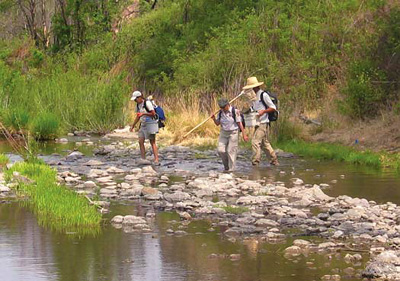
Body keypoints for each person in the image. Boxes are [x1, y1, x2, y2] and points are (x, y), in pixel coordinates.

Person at [243, 76, 279, 166]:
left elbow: (273, 108)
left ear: (255, 87)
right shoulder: (254, 97)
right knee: (264, 144)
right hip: (257, 123)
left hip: (263, 122)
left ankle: (255, 163)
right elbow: (255, 108)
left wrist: (264, 111)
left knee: (255, 142)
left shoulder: (263, 95)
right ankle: (274, 161)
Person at [211, 98, 248, 172]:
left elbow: (239, 123)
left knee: (231, 151)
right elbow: (217, 123)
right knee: (220, 150)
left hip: (233, 132)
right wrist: (214, 119)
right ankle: (226, 167)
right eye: (221, 107)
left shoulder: (235, 111)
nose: (222, 109)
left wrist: (244, 135)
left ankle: (231, 170)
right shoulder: (220, 113)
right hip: (223, 133)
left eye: (224, 107)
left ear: (228, 105)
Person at [129, 91, 160, 165]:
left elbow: (153, 113)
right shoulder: (138, 105)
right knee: (140, 141)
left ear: (139, 97)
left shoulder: (147, 103)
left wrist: (144, 113)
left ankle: (156, 159)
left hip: (150, 124)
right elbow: (138, 116)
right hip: (142, 124)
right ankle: (143, 159)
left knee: (152, 142)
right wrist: (133, 125)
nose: (135, 101)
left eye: (135, 99)